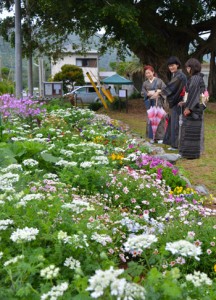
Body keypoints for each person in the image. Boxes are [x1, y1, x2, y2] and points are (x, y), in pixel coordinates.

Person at [152, 56, 187, 150]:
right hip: (175, 102)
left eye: (173, 65)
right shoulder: (176, 75)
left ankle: (176, 145)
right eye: (169, 66)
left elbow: (171, 88)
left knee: (176, 124)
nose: (171, 67)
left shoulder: (179, 76)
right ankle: (173, 144)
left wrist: (160, 93)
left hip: (179, 103)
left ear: (177, 65)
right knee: (173, 123)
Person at [178, 58, 206, 159]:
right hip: (197, 109)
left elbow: (194, 94)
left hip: (193, 110)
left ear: (192, 68)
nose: (187, 69)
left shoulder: (195, 78)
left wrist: (188, 107)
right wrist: (185, 102)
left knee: (189, 131)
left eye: (188, 67)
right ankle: (191, 154)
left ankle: (188, 154)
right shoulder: (198, 78)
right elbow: (194, 94)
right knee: (193, 132)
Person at [141, 65, 166, 143]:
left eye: (149, 72)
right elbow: (142, 92)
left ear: (153, 72)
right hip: (150, 103)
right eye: (146, 73)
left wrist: (158, 92)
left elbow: (165, 89)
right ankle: (152, 137)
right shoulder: (145, 83)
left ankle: (160, 137)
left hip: (158, 102)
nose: (148, 74)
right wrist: (147, 94)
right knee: (151, 119)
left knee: (160, 118)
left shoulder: (159, 81)